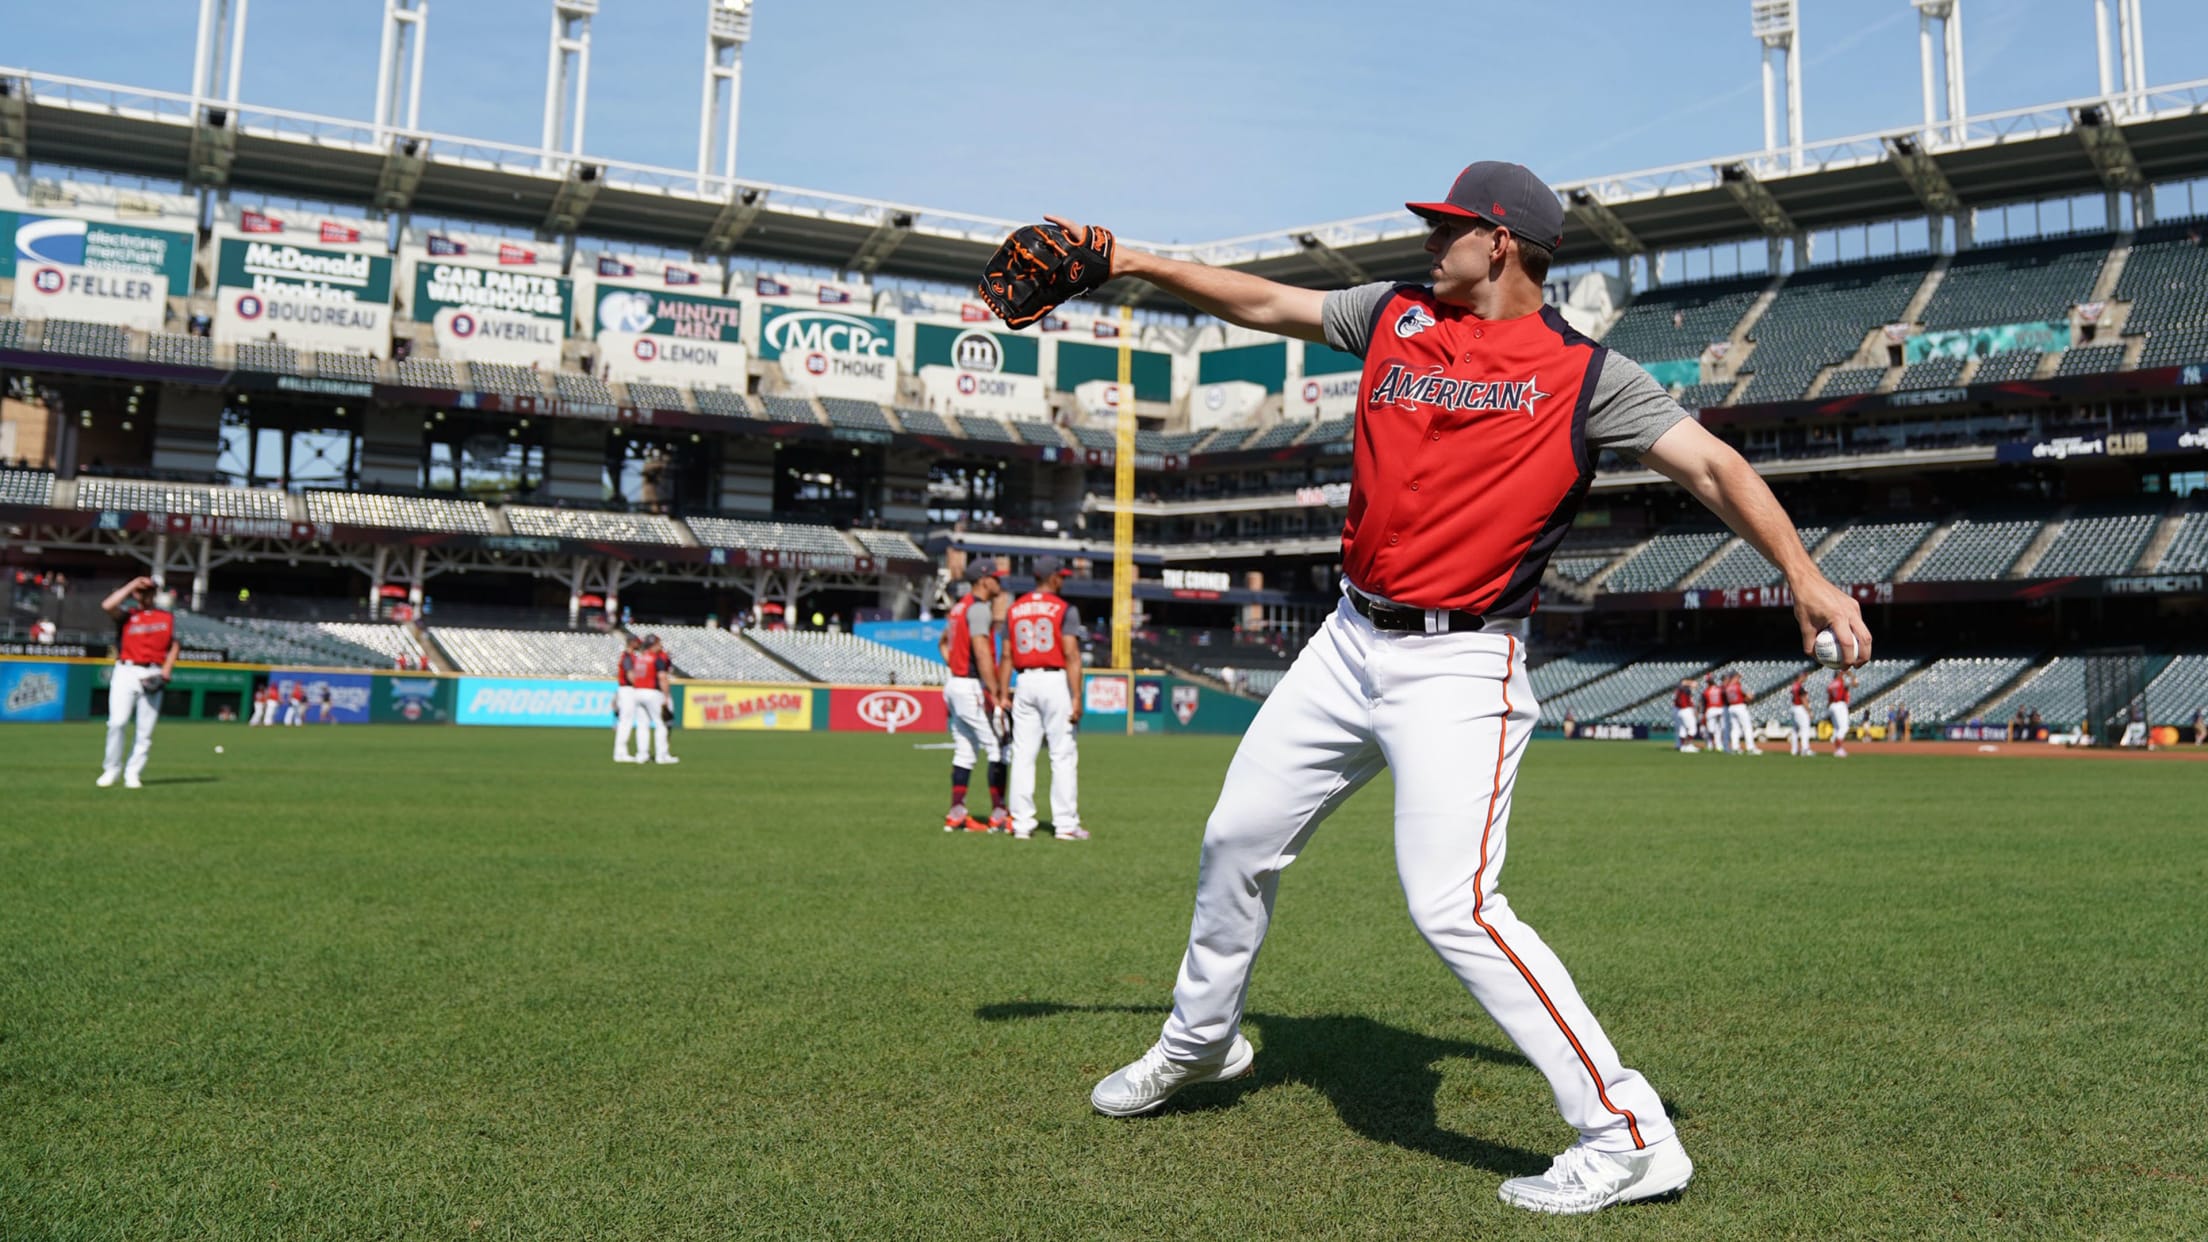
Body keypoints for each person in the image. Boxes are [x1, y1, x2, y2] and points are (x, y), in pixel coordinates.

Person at [1049, 161, 1870, 1216]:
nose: (1430, 243)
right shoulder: (1392, 315)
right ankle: (1202, 1043)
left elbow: (1713, 467)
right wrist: (1128, 259)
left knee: (1455, 905)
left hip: (1460, 663)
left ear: (1508, 244)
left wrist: (1801, 574)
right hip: (1347, 639)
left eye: (1451, 228)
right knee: (1236, 839)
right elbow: (1258, 299)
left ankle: (1628, 1137)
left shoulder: (1585, 374)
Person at [1005, 556, 1086, 842]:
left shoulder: (1014, 609)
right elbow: (1071, 654)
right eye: (1060, 576)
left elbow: (1006, 655)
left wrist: (1004, 692)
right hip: (1054, 680)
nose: (1063, 580)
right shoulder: (1063, 608)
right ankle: (1065, 824)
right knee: (1062, 754)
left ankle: (1021, 824)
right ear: (1051, 577)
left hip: (1024, 679)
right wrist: (1077, 696)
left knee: (1023, 755)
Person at [940, 561, 1011, 833]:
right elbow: (982, 652)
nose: (999, 583)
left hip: (955, 683)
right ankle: (999, 813)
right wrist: (995, 692)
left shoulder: (959, 607)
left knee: (966, 750)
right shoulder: (979, 608)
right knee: (998, 746)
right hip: (970, 685)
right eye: (995, 578)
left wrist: (954, 665)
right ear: (983, 581)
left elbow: (943, 643)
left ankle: (956, 813)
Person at [98, 575, 179, 789]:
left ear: (154, 593)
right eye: (141, 591)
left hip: (152, 670)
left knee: (145, 730)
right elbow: (107, 605)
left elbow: (174, 645)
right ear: (135, 594)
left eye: (149, 591)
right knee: (117, 722)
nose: (145, 595)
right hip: (126, 670)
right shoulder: (127, 615)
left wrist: (166, 671)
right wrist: (133, 583)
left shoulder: (165, 617)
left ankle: (133, 772)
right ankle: (111, 769)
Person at [616, 635, 679, 764]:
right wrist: (666, 696)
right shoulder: (656, 658)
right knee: (661, 724)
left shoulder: (640, 658)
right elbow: (662, 677)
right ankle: (662, 756)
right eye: (659, 643)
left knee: (642, 725)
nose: (661, 646)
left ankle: (642, 755)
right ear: (654, 645)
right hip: (652, 692)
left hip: (637, 692)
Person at [612, 634, 642, 762]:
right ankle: (620, 753)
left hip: (626, 690)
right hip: (628, 690)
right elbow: (630, 676)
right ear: (632, 643)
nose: (639, 644)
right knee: (626, 722)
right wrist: (641, 686)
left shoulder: (630, 656)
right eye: (637, 642)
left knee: (625, 722)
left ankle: (621, 752)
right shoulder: (628, 657)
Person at [1724, 671, 1760, 754]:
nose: (1739, 678)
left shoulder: (1728, 687)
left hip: (1731, 707)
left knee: (1735, 729)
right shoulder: (1738, 686)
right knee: (1747, 727)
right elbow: (1749, 696)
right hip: (1740, 706)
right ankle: (1750, 748)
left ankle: (1735, 748)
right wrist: (1749, 698)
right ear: (1734, 677)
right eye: (1738, 677)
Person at [1827, 668, 1856, 757]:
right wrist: (1851, 675)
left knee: (1837, 728)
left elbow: (1829, 699)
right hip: (1840, 705)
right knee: (1844, 728)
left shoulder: (1831, 684)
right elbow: (1855, 684)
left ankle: (1837, 748)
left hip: (1832, 706)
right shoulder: (1841, 682)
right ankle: (1839, 749)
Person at [1788, 672, 1814, 756]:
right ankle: (1805, 749)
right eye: (1804, 676)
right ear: (1801, 677)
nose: (1805, 678)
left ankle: (1794, 750)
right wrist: (1809, 711)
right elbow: (1804, 700)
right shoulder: (1800, 687)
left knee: (1795, 730)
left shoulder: (1793, 685)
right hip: (1800, 708)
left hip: (1793, 708)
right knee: (1804, 729)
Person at [1702, 673, 1727, 755]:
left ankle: (1712, 745)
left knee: (1711, 730)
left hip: (1711, 710)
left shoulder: (1706, 691)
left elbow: (1703, 704)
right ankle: (1718, 746)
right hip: (1719, 709)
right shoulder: (1720, 689)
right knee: (1717, 729)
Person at [1672, 679, 1699, 752]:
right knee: (1692, 728)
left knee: (1682, 729)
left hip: (1680, 711)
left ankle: (1682, 746)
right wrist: (1691, 683)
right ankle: (1689, 745)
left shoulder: (1679, 691)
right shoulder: (1684, 690)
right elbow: (1682, 683)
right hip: (1686, 710)